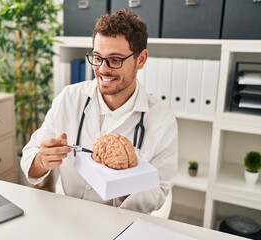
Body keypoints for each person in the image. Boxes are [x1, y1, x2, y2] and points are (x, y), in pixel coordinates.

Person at [21, 8, 177, 214]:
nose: (103, 69)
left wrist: (125, 182)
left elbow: (159, 191)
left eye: (115, 60)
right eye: (97, 57)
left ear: (141, 59)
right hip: (68, 215)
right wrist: (42, 160)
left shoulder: (161, 120)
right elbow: (30, 155)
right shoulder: (69, 98)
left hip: (121, 221)